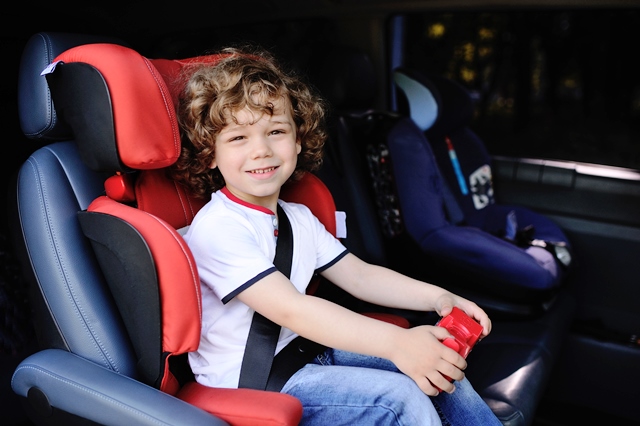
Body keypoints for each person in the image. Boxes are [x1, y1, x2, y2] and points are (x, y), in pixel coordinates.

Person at [171, 45, 502, 426]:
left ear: (297, 140)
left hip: (304, 351)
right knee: (400, 399)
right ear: (210, 153)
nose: (260, 150)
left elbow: (360, 275)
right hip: (255, 380)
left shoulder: (298, 217)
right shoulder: (218, 229)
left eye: (275, 131)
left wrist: (439, 297)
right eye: (238, 138)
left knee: (442, 368)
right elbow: (292, 310)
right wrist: (398, 343)